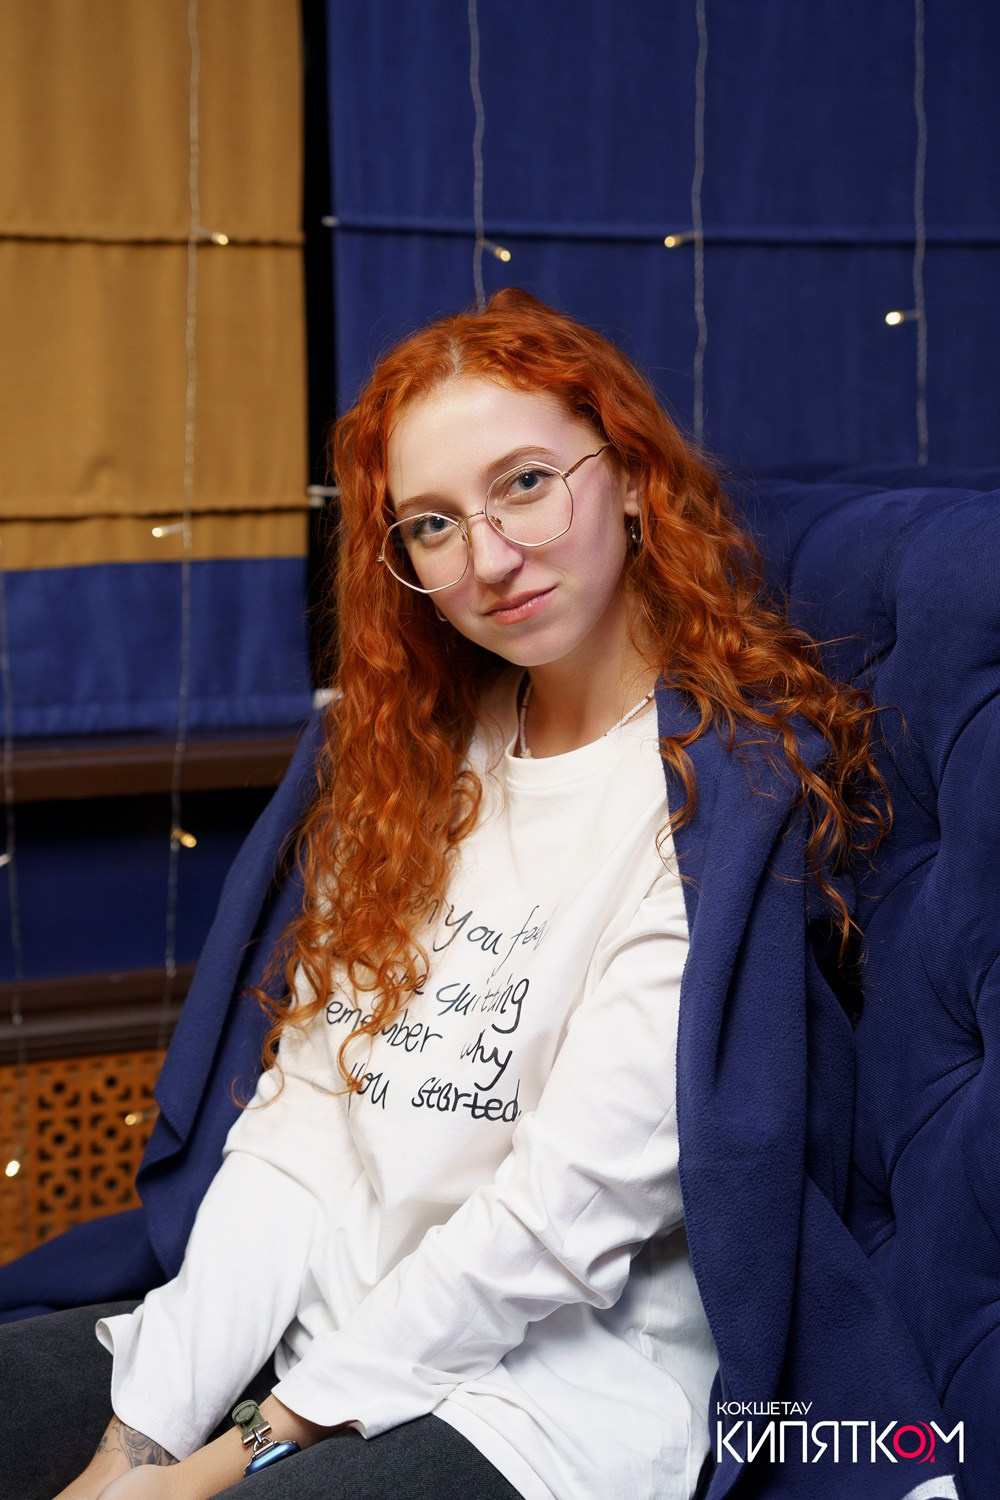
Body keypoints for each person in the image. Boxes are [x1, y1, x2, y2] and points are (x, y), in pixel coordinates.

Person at [3, 289, 956, 1500]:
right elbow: (299, 1134)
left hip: (555, 1391)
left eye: (526, 484)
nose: (489, 559)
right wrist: (134, 1446)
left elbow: (561, 1216)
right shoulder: (400, 765)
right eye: (433, 524)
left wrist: (229, 1461)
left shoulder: (721, 804)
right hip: (324, 1322)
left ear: (630, 477)